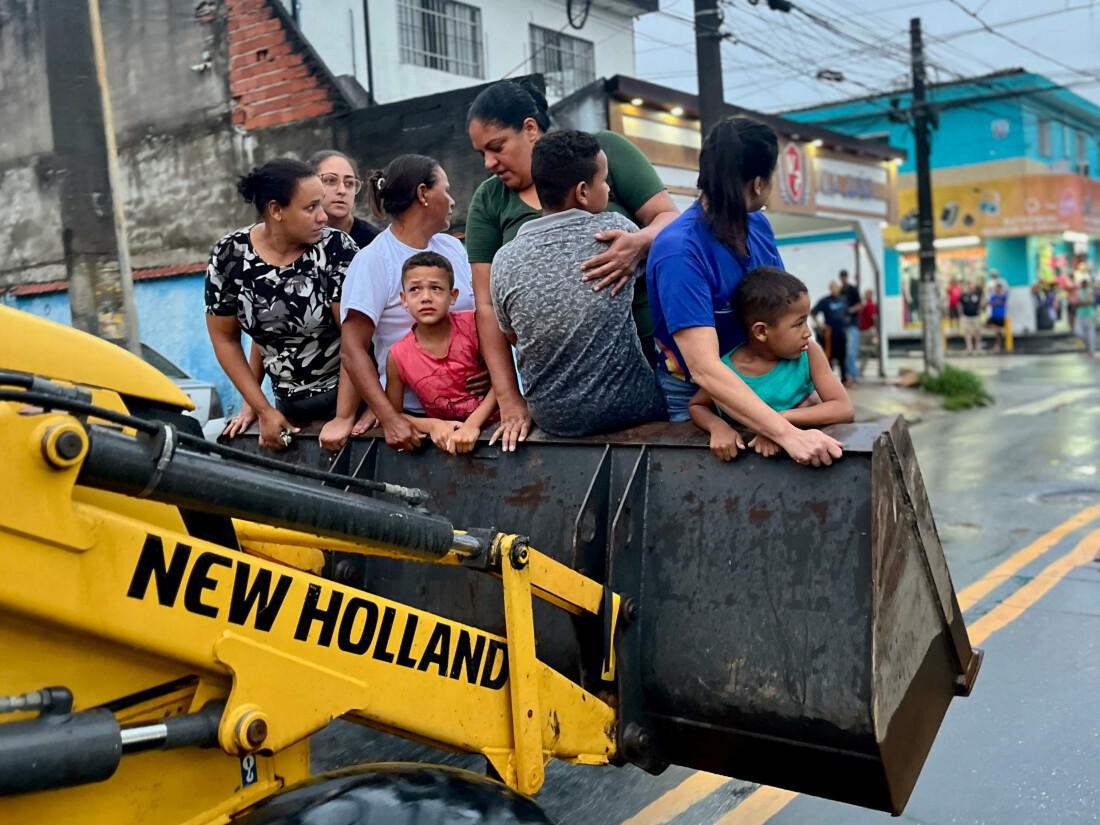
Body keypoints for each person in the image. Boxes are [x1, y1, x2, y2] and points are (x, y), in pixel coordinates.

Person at [465, 79, 679, 450]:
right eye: (481, 153)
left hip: (645, 356)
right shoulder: (489, 199)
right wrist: (509, 397)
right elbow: (487, 305)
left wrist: (638, 244)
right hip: (560, 377)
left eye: (496, 147)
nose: (488, 163)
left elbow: (671, 220)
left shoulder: (599, 152)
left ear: (530, 129)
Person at [647, 116, 842, 467]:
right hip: (701, 399)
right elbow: (704, 368)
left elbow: (781, 312)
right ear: (757, 183)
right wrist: (786, 432)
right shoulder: (680, 251)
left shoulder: (759, 227)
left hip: (770, 381)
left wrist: (797, 400)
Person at [490, 131, 665, 439]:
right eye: (605, 181)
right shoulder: (615, 231)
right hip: (632, 405)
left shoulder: (504, 259)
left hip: (552, 419)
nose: (609, 190)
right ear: (583, 191)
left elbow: (514, 337)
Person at [206, 158, 359, 451]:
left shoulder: (336, 249)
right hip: (285, 408)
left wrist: (345, 415)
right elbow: (225, 339)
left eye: (321, 204)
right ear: (276, 210)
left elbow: (357, 340)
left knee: (351, 490)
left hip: (346, 401)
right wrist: (260, 408)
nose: (323, 216)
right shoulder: (230, 256)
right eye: (310, 207)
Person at [337, 154, 479, 452]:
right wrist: (390, 418)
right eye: (446, 189)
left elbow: (479, 319)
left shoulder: (452, 247)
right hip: (415, 418)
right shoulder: (375, 261)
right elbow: (352, 350)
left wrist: (492, 371)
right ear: (423, 194)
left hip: (474, 412)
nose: (452, 201)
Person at [688, 267, 853, 461]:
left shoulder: (809, 353)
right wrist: (718, 427)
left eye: (806, 321)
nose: (807, 332)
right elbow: (697, 406)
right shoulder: (727, 372)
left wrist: (781, 419)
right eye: (798, 324)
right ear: (761, 332)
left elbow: (843, 408)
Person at [385, 252, 499, 452]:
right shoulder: (398, 356)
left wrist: (473, 424)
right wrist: (433, 425)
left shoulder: (476, 325)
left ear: (453, 296)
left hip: (499, 430)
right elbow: (394, 415)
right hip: (445, 443)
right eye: (415, 290)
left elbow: (505, 379)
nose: (426, 298)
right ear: (403, 299)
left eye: (436, 288)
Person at [310, 149, 379, 248]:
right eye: (331, 180)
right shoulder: (291, 236)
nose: (342, 191)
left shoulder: (375, 244)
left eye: (349, 183)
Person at [812, 282, 851, 381]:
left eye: (836, 287)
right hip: (830, 332)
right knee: (830, 354)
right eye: (832, 288)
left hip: (842, 331)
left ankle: (844, 377)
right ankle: (829, 378)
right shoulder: (825, 301)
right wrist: (820, 325)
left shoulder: (844, 299)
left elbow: (849, 312)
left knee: (843, 354)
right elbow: (813, 312)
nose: (835, 289)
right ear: (830, 289)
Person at [838, 270, 862, 387]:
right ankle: (848, 376)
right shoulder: (841, 291)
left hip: (852, 324)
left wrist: (849, 311)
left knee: (851, 352)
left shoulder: (852, 289)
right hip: (844, 326)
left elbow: (859, 304)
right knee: (845, 352)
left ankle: (852, 376)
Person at [857, 288, 878, 376]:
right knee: (864, 354)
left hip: (866, 330)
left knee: (861, 349)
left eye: (866, 294)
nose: (865, 296)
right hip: (865, 330)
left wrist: (875, 328)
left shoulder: (869, 305)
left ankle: (874, 350)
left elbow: (873, 317)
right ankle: (861, 370)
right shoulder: (866, 305)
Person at [1073, 277, 1095, 357]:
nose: (1084, 284)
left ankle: (1091, 350)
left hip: (1089, 314)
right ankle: (1087, 347)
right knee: (1078, 332)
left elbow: (1088, 301)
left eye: (1085, 282)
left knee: (1090, 334)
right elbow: (1075, 301)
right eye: (1082, 282)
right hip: (1079, 315)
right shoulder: (1078, 291)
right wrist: (1082, 302)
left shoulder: (1090, 290)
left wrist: (1080, 302)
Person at [960, 282, 983, 353]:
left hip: (975, 316)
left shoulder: (977, 295)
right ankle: (969, 347)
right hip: (966, 316)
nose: (971, 289)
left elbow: (980, 304)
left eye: (972, 288)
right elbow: (960, 304)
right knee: (967, 332)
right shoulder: (964, 295)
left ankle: (978, 346)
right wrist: (961, 314)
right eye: (970, 288)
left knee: (977, 331)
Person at [986, 281, 1008, 352]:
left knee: (998, 335)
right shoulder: (993, 296)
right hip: (994, 315)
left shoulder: (1004, 294)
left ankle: (997, 346)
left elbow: (1003, 299)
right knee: (987, 325)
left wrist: (998, 298)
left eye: (999, 287)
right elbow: (989, 303)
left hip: (1001, 315)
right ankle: (1000, 329)